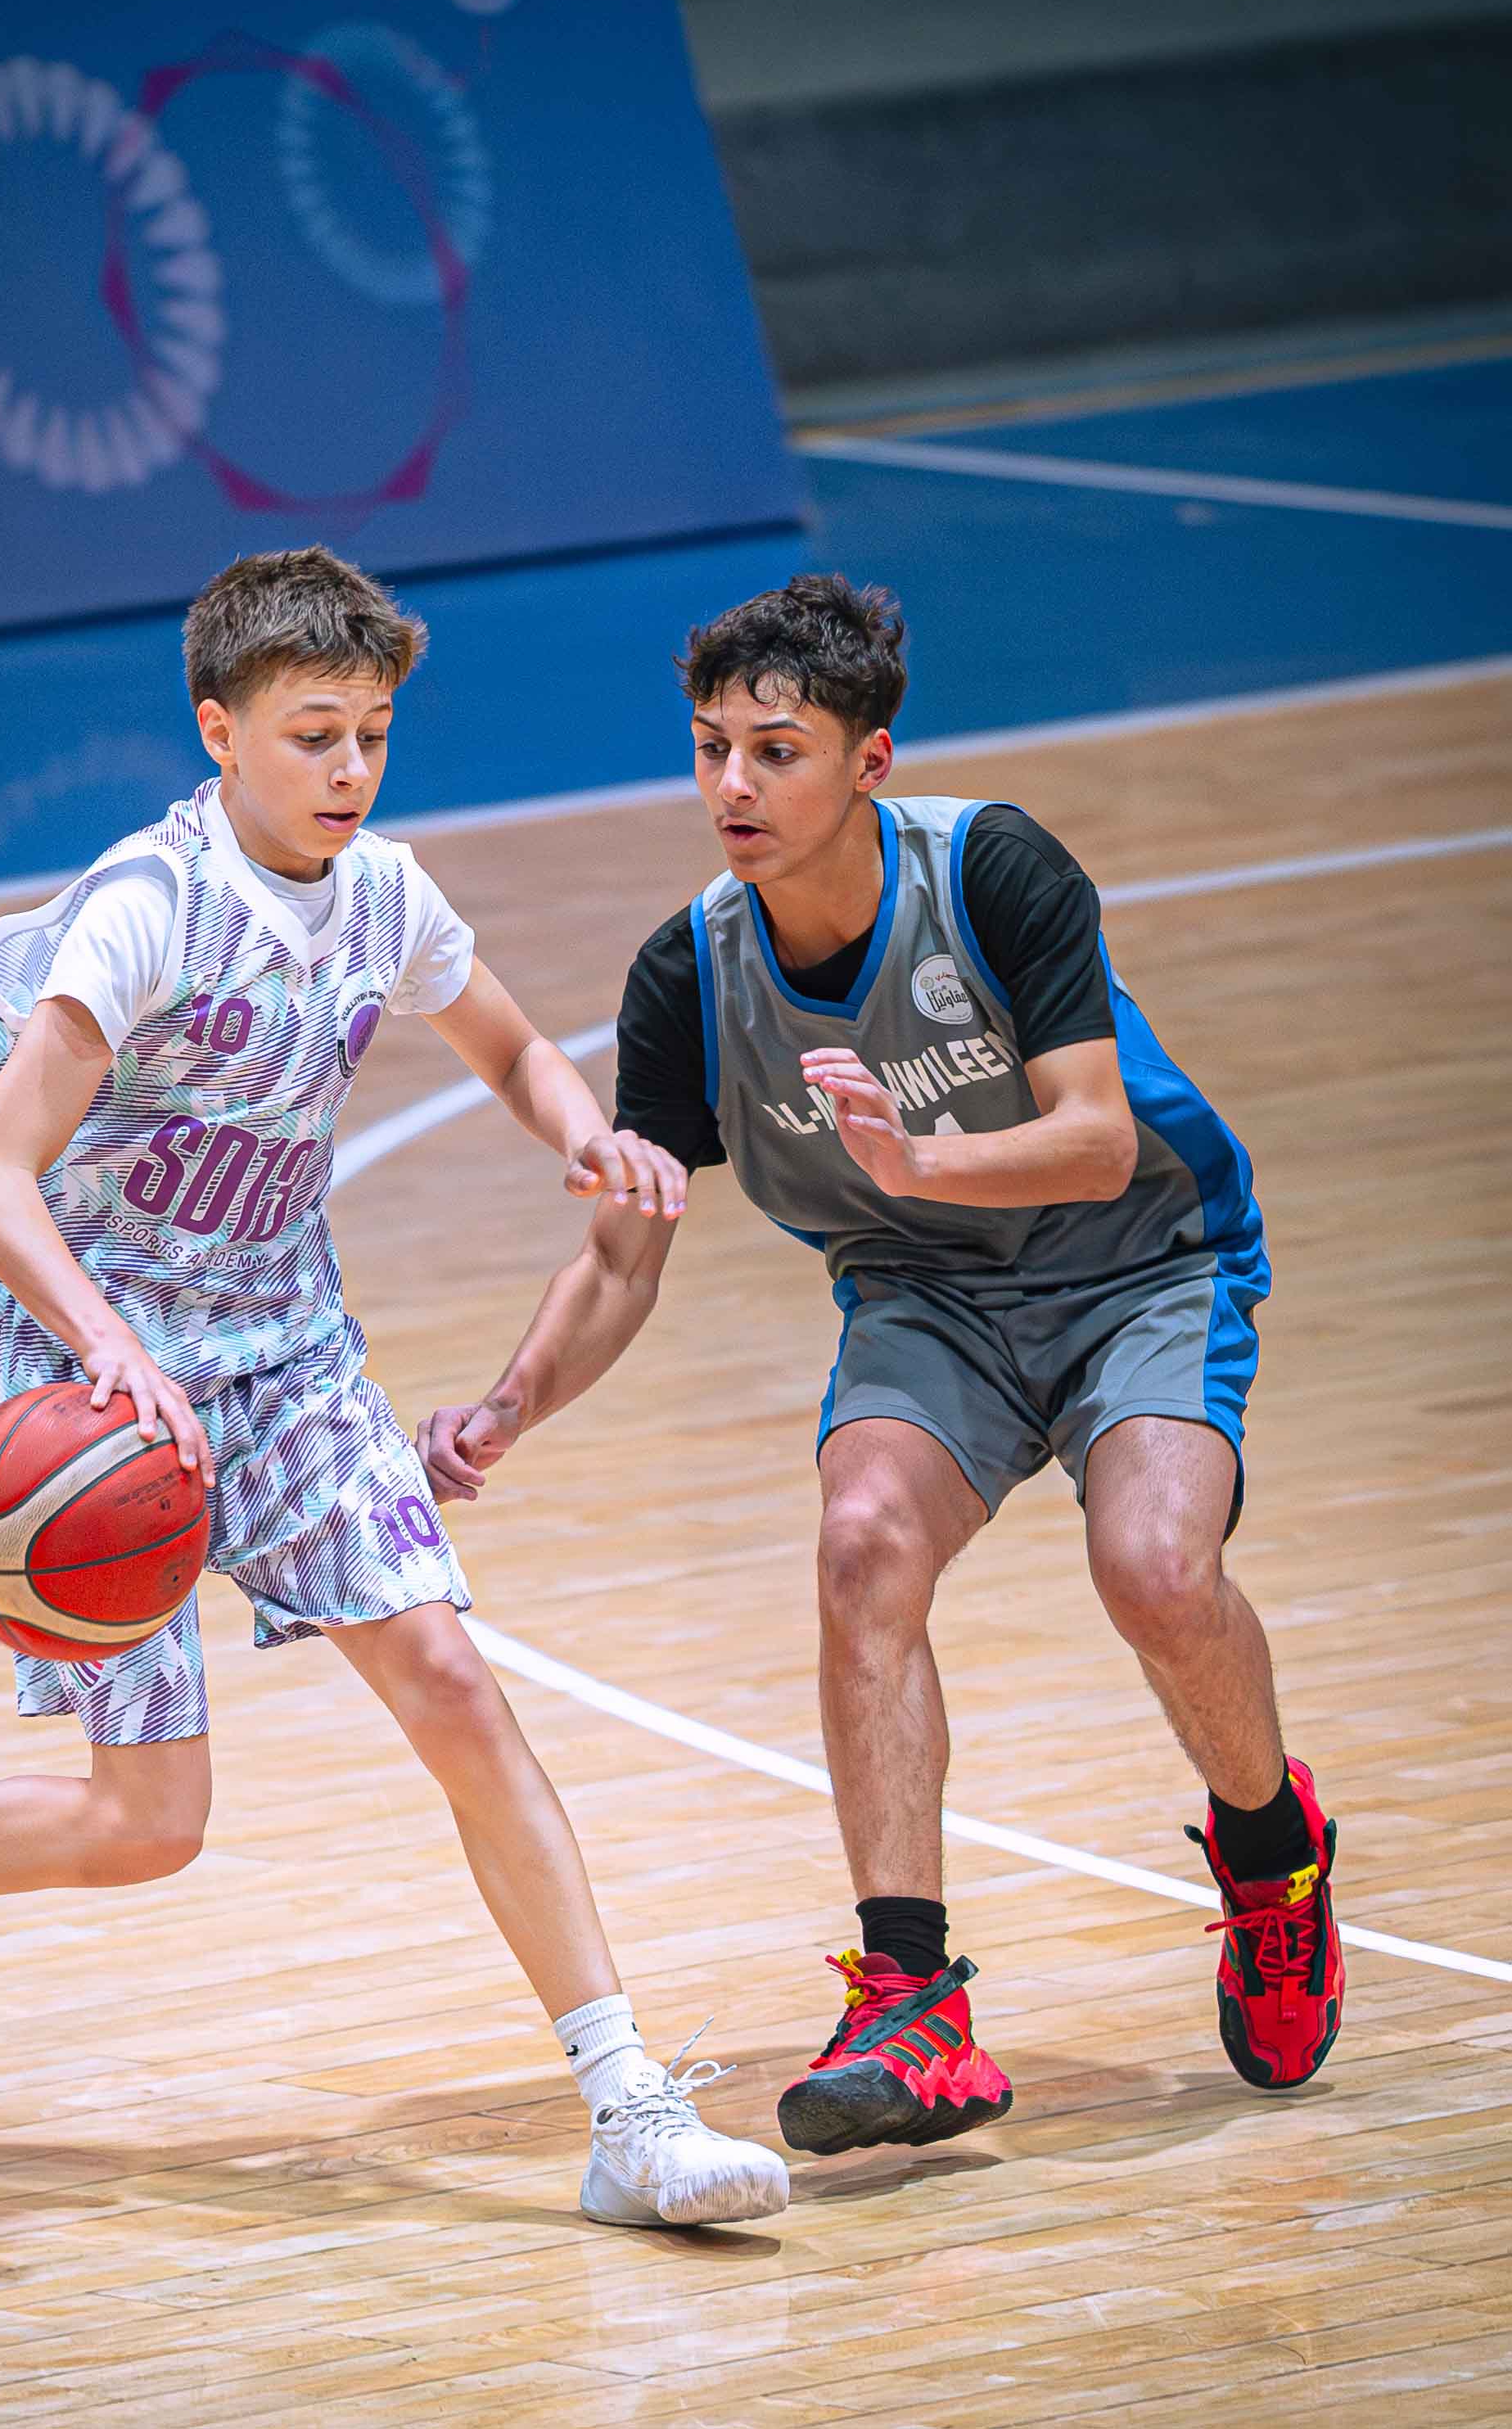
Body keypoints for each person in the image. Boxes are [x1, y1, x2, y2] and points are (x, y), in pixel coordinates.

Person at [0, 545, 787, 2232]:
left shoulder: (385, 893)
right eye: (314, 735)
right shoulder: (148, 907)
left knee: (453, 1685)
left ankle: (629, 2115)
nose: (350, 769)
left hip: (285, 1357)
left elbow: (502, 1042)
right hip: (97, 1380)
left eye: (373, 735)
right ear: (220, 731)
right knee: (148, 1824)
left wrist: (586, 1134)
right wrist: (111, 1347)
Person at [418, 572, 1343, 2158]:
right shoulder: (689, 976)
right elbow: (623, 1253)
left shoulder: (993, 871)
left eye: (775, 752)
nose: (732, 785)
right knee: (860, 1543)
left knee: (1151, 1568)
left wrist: (915, 1158)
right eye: (710, 747)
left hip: (1139, 1264)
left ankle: (1273, 1860)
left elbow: (1095, 1136)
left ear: (869, 760)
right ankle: (911, 2001)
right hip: (926, 1298)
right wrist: (510, 1401)